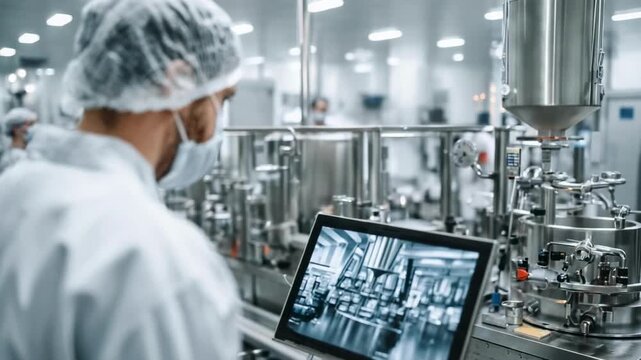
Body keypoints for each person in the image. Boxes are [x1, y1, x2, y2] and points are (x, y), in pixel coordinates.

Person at [0, 0, 243, 359]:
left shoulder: (15, 188)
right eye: (221, 99)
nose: (218, 121)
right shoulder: (159, 260)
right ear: (177, 80)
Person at [0, 107, 37, 172]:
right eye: (29, 124)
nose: (33, 128)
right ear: (16, 129)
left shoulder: (33, 153)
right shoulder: (10, 159)